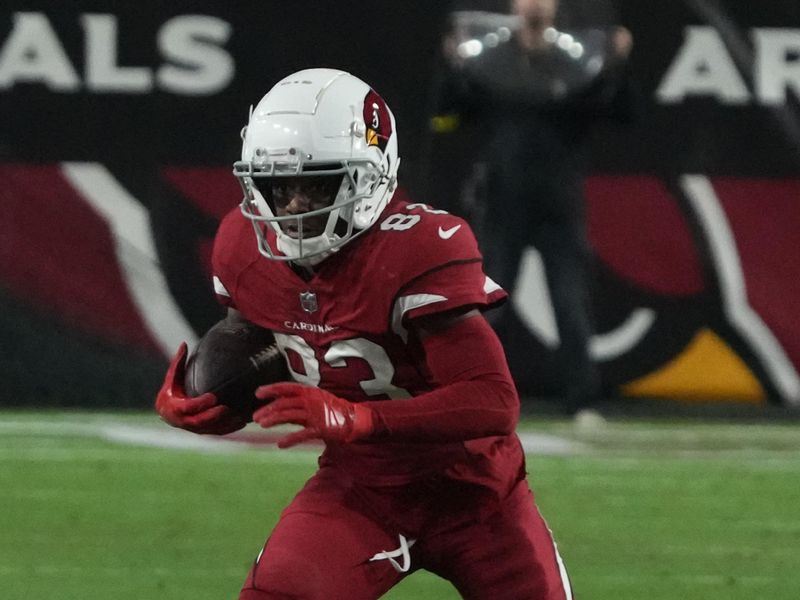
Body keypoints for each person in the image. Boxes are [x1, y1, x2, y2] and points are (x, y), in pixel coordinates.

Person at [155, 67, 573, 600]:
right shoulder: (243, 247)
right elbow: (255, 338)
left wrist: (361, 418)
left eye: (316, 184)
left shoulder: (417, 247)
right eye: (280, 186)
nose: (295, 207)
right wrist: (206, 397)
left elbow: (493, 402)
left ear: (371, 176)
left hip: (476, 494)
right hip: (361, 489)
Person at [436, 0, 638, 416]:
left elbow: (623, 114)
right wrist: (454, 66)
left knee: (570, 303)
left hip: (558, 206)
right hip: (503, 202)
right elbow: (448, 112)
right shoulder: (490, 59)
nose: (535, 4)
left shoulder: (575, 61)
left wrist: (617, 65)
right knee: (488, 305)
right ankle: (472, 394)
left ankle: (582, 403)